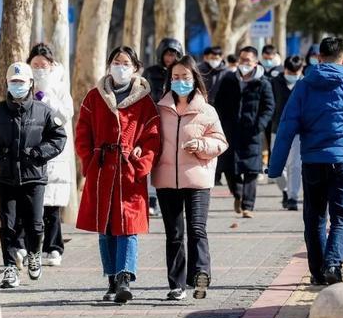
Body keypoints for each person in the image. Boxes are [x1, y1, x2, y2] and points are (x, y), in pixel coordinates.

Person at [268, 37, 343, 285]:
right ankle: (333, 264)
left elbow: (286, 127)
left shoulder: (304, 86)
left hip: (313, 162)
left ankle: (318, 273)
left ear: (319, 58)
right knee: (342, 217)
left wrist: (275, 167)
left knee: (315, 218)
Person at [75, 46, 161, 304]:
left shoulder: (144, 101)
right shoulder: (94, 97)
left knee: (129, 226)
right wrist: (90, 162)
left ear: (135, 67)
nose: (120, 66)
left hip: (129, 172)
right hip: (102, 170)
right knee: (106, 228)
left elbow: (153, 137)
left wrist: (140, 163)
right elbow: (82, 133)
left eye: (125, 62)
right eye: (115, 61)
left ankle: (125, 277)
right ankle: (111, 277)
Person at [0, 62, 67, 289]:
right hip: (5, 178)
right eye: (13, 82)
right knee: (8, 225)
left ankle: (34, 254)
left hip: (34, 177)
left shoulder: (43, 111)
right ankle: (9, 269)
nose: (17, 85)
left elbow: (58, 138)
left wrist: (38, 154)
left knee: (35, 224)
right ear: (7, 83)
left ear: (30, 83)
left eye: (21, 82)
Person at [152, 56, 228, 301]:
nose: (180, 81)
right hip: (166, 180)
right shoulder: (160, 108)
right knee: (174, 234)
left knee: (197, 229)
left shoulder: (207, 110)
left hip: (197, 179)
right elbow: (151, 139)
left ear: (195, 78)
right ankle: (176, 284)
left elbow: (220, 142)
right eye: (175, 77)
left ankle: (200, 275)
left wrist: (202, 144)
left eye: (185, 77)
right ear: (169, 80)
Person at [14, 43, 75, 268]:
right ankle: (23, 247)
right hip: (27, 153)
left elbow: (65, 115)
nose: (40, 68)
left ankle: (53, 248)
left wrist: (46, 97)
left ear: (52, 65)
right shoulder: (21, 86)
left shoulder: (59, 87)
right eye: (35, 64)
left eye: (44, 64)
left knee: (51, 206)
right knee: (24, 203)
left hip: (52, 154)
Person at [214, 46, 275, 218]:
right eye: (242, 60)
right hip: (230, 131)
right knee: (228, 168)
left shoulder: (263, 83)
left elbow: (269, 107)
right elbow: (219, 103)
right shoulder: (228, 79)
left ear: (255, 62)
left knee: (251, 170)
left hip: (252, 133)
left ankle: (248, 206)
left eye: (248, 60)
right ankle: (238, 194)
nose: (244, 63)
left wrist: (259, 125)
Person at [143, 38, 183, 216]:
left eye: (174, 54)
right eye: (167, 53)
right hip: (153, 121)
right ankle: (152, 199)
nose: (170, 57)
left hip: (176, 122)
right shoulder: (151, 73)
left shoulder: (182, 73)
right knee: (152, 160)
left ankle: (172, 197)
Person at [270, 55, 305, 211]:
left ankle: (292, 197)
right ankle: (284, 190)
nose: (293, 75)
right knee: (276, 167)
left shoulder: (306, 83)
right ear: (284, 69)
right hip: (277, 129)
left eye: (296, 72)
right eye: (290, 72)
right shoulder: (274, 83)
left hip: (298, 131)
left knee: (295, 166)